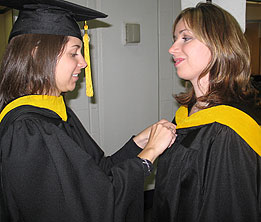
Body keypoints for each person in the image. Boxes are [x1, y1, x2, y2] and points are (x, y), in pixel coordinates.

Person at [0, 0, 177, 221]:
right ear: (37, 54)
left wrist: (139, 144)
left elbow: (98, 172)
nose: (83, 62)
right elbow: (93, 206)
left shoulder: (56, 115)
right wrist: (149, 155)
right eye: (74, 53)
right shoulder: (27, 131)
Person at [152, 2, 261, 222]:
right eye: (175, 38)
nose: (172, 49)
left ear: (219, 44)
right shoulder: (189, 113)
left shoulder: (229, 130)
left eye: (186, 37)